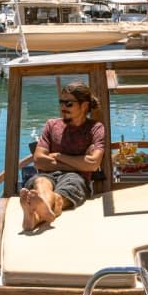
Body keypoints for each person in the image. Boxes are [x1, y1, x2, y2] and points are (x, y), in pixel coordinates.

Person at [20, 81, 105, 230]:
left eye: (69, 103)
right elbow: (39, 160)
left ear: (84, 105)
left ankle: (34, 217)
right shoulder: (52, 125)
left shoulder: (95, 128)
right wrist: (78, 163)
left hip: (76, 178)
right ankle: (39, 215)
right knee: (40, 182)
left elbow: (93, 163)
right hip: (49, 175)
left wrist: (58, 155)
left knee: (63, 192)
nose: (63, 107)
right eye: (61, 102)